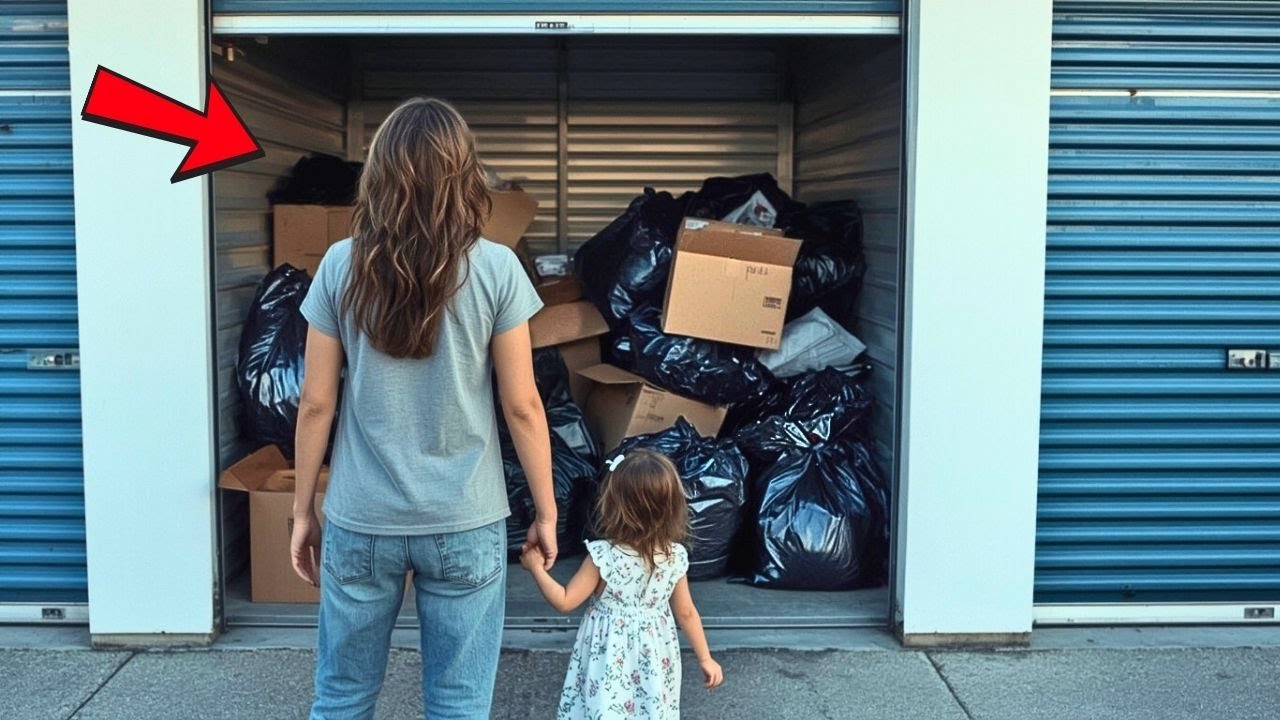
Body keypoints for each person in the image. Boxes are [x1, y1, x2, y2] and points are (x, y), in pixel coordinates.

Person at [288, 97, 558, 720]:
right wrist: (546, 511)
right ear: (466, 175)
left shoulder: (339, 265)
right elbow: (523, 406)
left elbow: (315, 404)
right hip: (465, 519)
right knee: (459, 704)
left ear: (378, 174)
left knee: (341, 698)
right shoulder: (497, 268)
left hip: (361, 518)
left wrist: (302, 513)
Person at [520, 450, 725, 719]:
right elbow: (686, 612)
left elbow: (564, 600)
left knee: (606, 706)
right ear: (673, 507)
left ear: (613, 504)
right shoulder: (674, 557)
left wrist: (535, 568)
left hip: (607, 659)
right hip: (654, 657)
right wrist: (705, 658)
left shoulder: (602, 557)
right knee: (649, 708)